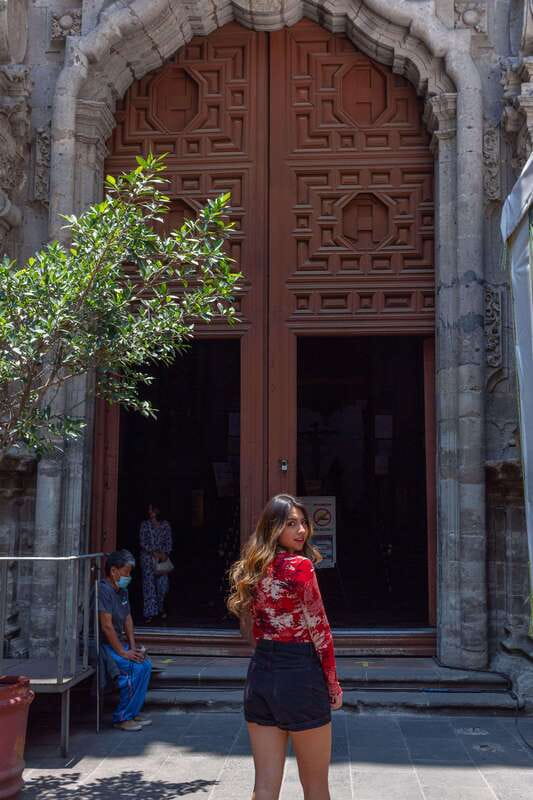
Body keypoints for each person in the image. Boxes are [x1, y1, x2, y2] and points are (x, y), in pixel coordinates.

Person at [227, 494, 343, 800]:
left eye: (303, 523)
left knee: (264, 787)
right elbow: (320, 630)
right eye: (291, 523)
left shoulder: (253, 567)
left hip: (261, 673)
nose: (302, 530)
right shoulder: (299, 566)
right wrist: (333, 684)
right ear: (273, 527)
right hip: (300, 674)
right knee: (316, 787)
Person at [98, 549, 153, 732]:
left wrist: (133, 646)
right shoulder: (103, 590)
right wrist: (123, 652)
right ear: (114, 571)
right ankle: (122, 717)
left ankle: (133, 712)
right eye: (126, 572)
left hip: (119, 644)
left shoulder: (122, 591)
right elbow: (106, 626)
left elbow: (128, 618)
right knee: (132, 668)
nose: (128, 577)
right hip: (103, 645)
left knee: (145, 664)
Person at [139, 504, 173, 623]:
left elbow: (169, 541)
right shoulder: (145, 525)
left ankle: (161, 609)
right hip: (148, 559)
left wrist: (164, 554)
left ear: (158, 510)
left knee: (162, 586)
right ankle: (150, 613)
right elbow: (142, 541)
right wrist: (152, 552)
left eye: (152, 509)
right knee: (149, 587)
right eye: (148, 509)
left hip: (162, 559)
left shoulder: (165, 525)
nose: (150, 511)